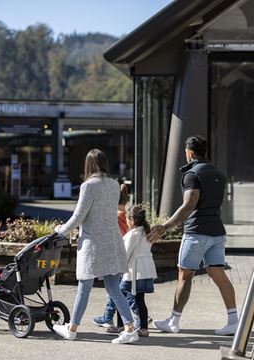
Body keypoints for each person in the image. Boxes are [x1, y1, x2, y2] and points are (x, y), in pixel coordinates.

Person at [148, 135, 239, 336]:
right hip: (217, 232)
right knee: (218, 274)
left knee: (184, 274)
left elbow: (189, 205)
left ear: (189, 152)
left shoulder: (192, 174)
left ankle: (174, 320)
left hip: (197, 233)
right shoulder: (218, 174)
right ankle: (234, 320)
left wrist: (165, 226)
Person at [53, 149, 138, 344]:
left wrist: (60, 230)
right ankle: (130, 329)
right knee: (114, 288)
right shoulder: (114, 184)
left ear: (88, 165)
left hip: (93, 244)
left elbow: (78, 217)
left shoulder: (88, 186)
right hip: (112, 241)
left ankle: (72, 329)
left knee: (84, 287)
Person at [93, 205, 157, 337]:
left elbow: (124, 254)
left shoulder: (132, 235)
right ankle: (143, 328)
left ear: (131, 220)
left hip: (134, 273)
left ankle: (121, 326)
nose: (126, 222)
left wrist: (116, 267)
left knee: (119, 295)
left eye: (127, 219)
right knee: (139, 299)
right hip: (144, 272)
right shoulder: (146, 232)